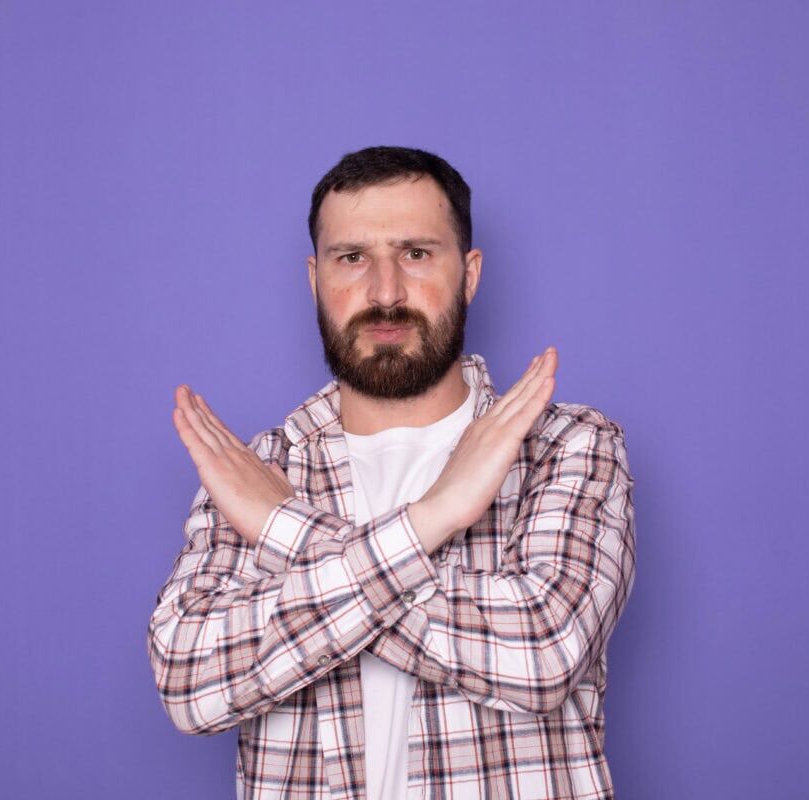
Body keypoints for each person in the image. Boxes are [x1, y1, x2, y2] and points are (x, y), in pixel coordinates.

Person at [147, 145, 637, 800]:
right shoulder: (256, 468)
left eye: (415, 253)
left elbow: (543, 653)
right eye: (352, 258)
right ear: (315, 278)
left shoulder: (567, 445)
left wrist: (288, 531)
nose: (384, 293)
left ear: (469, 275)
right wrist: (434, 518)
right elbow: (189, 680)